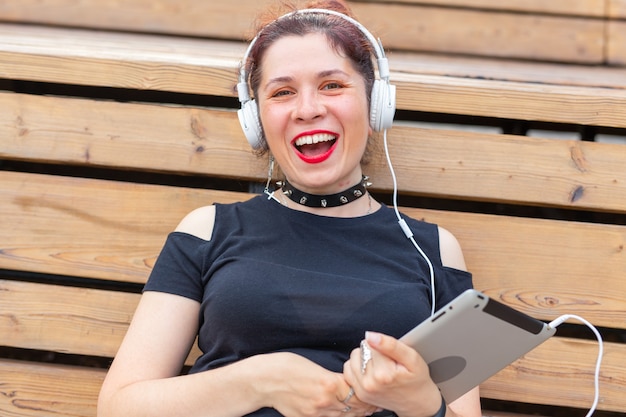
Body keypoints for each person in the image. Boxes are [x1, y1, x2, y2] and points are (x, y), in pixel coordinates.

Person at [97, 1, 482, 416]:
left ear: (375, 105)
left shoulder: (435, 251)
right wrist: (259, 381)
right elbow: (119, 407)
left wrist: (424, 404)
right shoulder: (207, 231)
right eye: (283, 92)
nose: (308, 109)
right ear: (256, 120)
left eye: (332, 85)